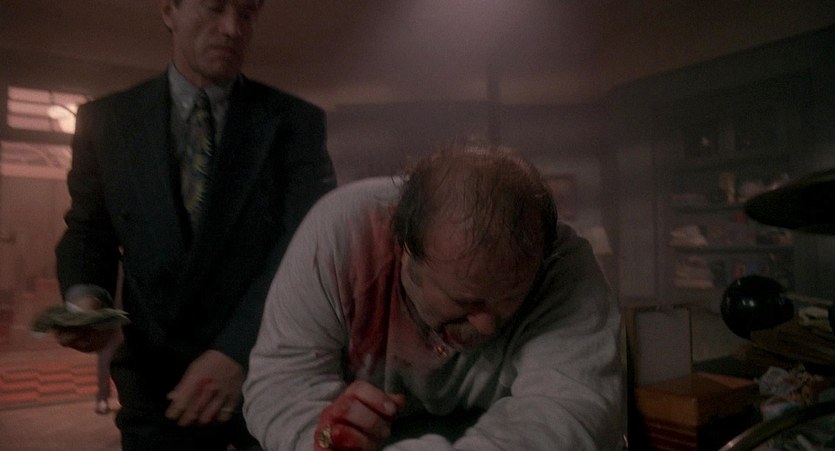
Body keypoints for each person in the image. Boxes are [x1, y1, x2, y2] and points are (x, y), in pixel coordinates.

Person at [53, 0, 336, 449]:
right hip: (156, 382)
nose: (232, 28)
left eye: (246, 14)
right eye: (215, 7)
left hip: (266, 376)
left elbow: (307, 249)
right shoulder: (107, 121)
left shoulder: (294, 124)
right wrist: (88, 299)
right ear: (169, 11)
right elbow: (89, 230)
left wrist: (238, 351)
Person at [243, 146, 625, 450]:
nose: (486, 325)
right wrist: (323, 439)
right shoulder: (344, 235)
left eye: (511, 297)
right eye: (466, 301)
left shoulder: (561, 263)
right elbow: (282, 384)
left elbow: (570, 410)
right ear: (406, 250)